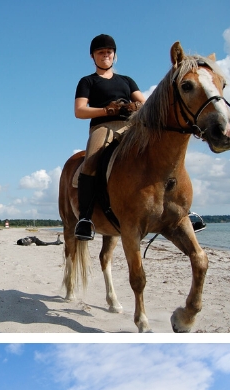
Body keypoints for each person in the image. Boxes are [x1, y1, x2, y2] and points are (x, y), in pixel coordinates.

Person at [72, 34, 146, 241]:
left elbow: (145, 103)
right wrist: (107, 111)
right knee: (91, 162)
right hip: (103, 128)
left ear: (115, 56)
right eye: (100, 53)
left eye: (108, 52)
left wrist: (137, 106)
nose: (105, 55)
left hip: (130, 126)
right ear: (93, 57)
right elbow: (79, 111)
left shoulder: (127, 81)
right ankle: (85, 219)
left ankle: (179, 210)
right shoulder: (88, 81)